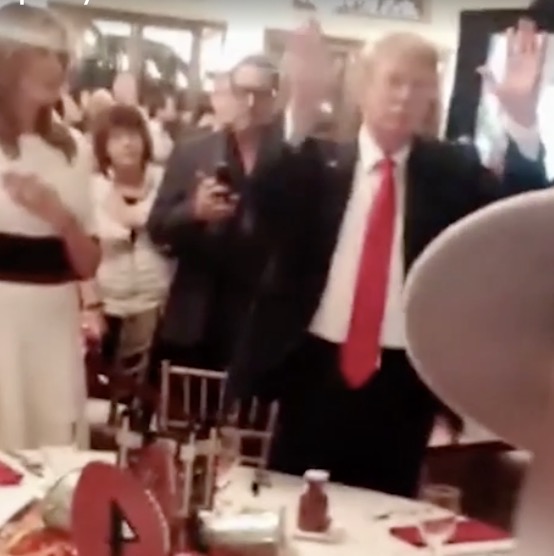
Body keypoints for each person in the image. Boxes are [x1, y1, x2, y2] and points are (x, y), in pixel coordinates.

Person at [226, 21, 548, 496]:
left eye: (418, 85)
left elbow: (517, 220)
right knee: (295, 507)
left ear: (431, 96)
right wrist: (301, 110)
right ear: (362, 87)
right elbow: (260, 208)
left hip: (403, 379)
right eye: (393, 81)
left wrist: (522, 124)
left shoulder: (451, 171)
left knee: (386, 512)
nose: (403, 96)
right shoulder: (315, 163)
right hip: (312, 369)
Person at [146, 55, 280, 400]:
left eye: (261, 93)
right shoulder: (192, 152)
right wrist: (193, 211)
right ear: (227, 94)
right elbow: (157, 228)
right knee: (184, 420)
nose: (250, 102)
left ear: (275, 100)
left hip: (260, 319)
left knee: (250, 425)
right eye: (242, 91)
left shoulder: (293, 158)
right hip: (197, 314)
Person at [0, 5, 100, 449]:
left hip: (53, 324)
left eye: (61, 54)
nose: (55, 65)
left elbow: (89, 263)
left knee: (53, 446)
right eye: (42, 51)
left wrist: (59, 216)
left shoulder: (72, 149)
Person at [81, 104, 171, 374]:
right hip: (108, 304)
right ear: (103, 146)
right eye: (117, 137)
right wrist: (91, 305)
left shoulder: (166, 182)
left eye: (133, 135)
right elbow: (81, 253)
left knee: (153, 388)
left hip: (158, 304)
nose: (127, 144)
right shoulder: (91, 188)